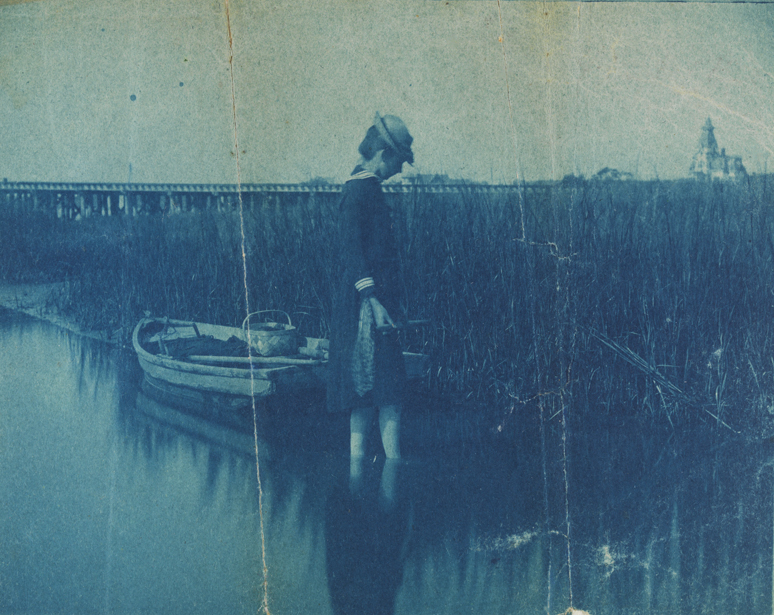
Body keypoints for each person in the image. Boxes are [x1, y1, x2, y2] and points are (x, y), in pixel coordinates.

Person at [327, 112, 414, 466]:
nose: (401, 169)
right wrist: (373, 300)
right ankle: (377, 473)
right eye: (398, 161)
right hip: (364, 309)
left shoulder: (370, 190)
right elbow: (351, 251)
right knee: (374, 396)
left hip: (377, 307)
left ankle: (381, 471)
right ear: (382, 154)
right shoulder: (358, 191)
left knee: (380, 395)